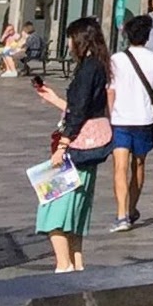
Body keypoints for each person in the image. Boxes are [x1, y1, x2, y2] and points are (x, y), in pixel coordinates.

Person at [37, 15, 116, 272]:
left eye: (71, 38)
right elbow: (85, 108)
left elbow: (79, 111)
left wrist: (62, 145)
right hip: (92, 145)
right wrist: (56, 100)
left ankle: (63, 265)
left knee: (52, 207)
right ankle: (76, 263)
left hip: (76, 147)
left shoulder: (87, 68)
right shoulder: (100, 66)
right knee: (78, 208)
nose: (69, 44)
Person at [105, 14, 153, 233]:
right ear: (147, 37)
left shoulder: (116, 60)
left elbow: (110, 92)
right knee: (138, 164)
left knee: (119, 167)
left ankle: (121, 215)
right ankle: (131, 208)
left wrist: (108, 118)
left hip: (120, 120)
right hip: (144, 119)